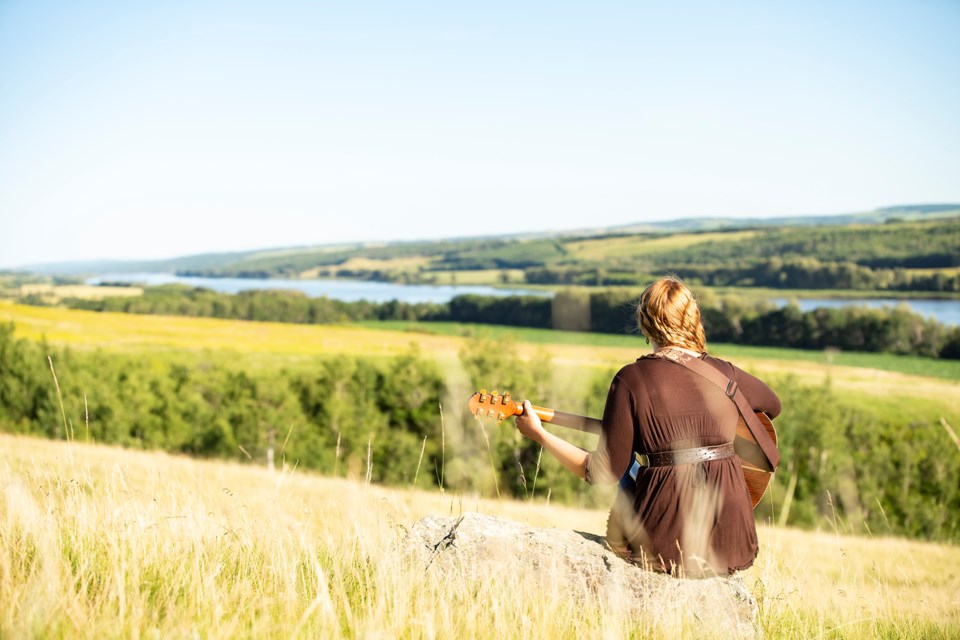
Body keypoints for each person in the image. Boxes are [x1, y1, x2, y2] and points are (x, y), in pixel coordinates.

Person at [514, 276, 781, 577]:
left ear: (645, 322)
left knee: (626, 467)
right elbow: (773, 405)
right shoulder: (725, 373)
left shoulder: (631, 379)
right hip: (733, 540)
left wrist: (539, 434)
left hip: (664, 545)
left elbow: (601, 473)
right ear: (693, 318)